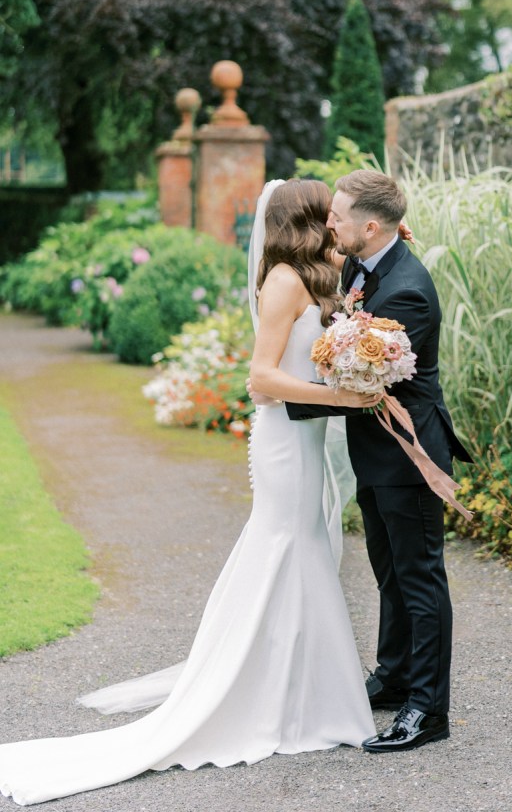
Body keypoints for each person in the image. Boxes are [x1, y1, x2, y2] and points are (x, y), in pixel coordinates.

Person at [0, 179, 378, 807]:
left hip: (305, 440)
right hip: (285, 440)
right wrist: (342, 397)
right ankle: (298, 700)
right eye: (329, 215)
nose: (338, 224)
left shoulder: (315, 272)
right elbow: (261, 380)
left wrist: (384, 244)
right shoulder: (285, 279)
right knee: (291, 547)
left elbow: (359, 259)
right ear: (309, 219)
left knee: (305, 548)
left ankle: (306, 692)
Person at [285, 169, 473, 753]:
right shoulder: (364, 260)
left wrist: (283, 397)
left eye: (337, 216)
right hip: (375, 456)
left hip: (408, 458)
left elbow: (364, 384)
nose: (327, 223)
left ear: (370, 226)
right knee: (389, 573)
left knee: (419, 580)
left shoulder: (407, 290)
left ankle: (427, 708)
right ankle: (392, 676)